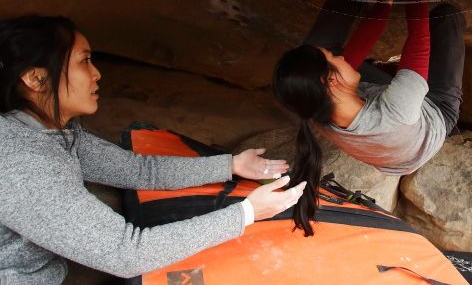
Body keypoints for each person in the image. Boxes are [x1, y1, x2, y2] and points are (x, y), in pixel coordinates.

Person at [0, 16, 306, 284]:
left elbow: (137, 170)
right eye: (84, 61)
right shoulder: (23, 163)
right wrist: (246, 213)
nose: (97, 74)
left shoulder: (50, 130)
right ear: (35, 78)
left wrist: (231, 165)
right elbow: (126, 254)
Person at [272, 0, 466, 235]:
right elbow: (419, 39)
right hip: (435, 113)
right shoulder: (396, 111)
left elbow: (356, 49)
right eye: (334, 60)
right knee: (446, 16)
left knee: (313, 52)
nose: (340, 56)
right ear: (332, 81)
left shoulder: (319, 107)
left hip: (388, 123)